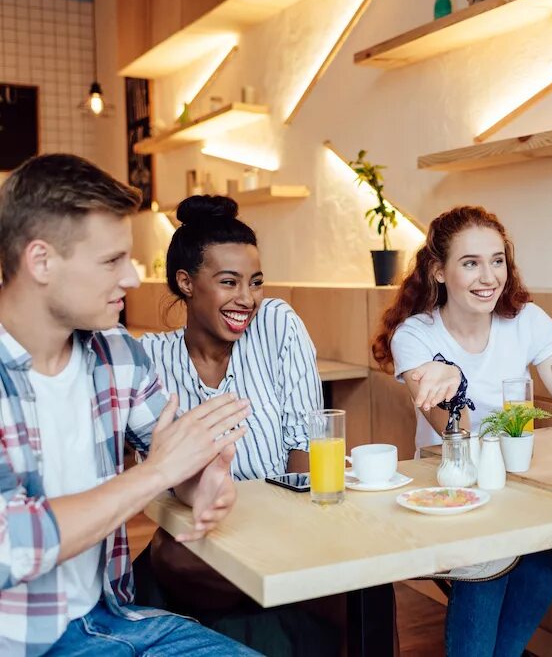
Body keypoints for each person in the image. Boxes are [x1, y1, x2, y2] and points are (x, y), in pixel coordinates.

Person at [0, 154, 258, 656]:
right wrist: (156, 474)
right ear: (41, 261)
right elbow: (12, 544)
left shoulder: (116, 351)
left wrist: (205, 479)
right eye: (111, 261)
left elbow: (176, 455)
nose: (134, 278)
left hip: (116, 618)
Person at [372, 205, 552, 657]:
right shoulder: (416, 336)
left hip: (519, 487)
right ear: (439, 271)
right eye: (471, 263)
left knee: (545, 569)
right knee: (485, 575)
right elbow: (453, 436)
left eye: (497, 260)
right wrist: (453, 383)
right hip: (454, 492)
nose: (488, 277)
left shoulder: (525, 320)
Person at [138, 195, 397, 656]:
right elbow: (158, 476)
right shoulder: (152, 359)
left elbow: (306, 442)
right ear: (186, 283)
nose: (247, 298)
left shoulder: (277, 323)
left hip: (285, 521)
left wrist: (289, 534)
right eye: (229, 282)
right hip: (204, 531)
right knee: (169, 556)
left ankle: (290, 590)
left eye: (255, 282)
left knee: (363, 577)